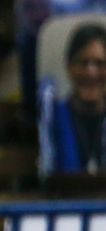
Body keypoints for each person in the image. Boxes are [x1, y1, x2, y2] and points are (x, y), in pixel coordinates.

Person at [41, 23, 106, 175]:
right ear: (69, 66)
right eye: (82, 63)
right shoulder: (51, 118)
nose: (91, 72)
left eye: (99, 63)